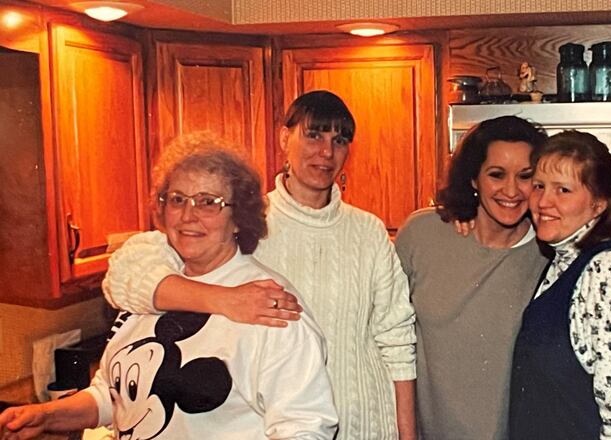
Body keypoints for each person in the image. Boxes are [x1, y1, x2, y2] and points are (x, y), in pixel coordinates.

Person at [100, 91, 417, 440]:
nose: (326, 152)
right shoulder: (239, 219)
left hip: (366, 424)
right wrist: (223, 298)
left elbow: (397, 340)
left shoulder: (368, 231)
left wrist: (407, 436)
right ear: (285, 138)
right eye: (313, 134)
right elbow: (126, 272)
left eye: (339, 140)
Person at [0, 135, 337, 439]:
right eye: (177, 199)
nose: (188, 215)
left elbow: (305, 429)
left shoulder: (269, 307)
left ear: (239, 218)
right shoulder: (150, 290)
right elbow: (115, 394)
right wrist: (46, 417)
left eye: (209, 202)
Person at [508, 130, 611, 439]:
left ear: (599, 204)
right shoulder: (567, 257)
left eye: (563, 190)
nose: (544, 201)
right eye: (539, 186)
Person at [394, 116, 549, 439]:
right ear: (474, 179)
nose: (511, 190)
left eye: (525, 177)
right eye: (496, 174)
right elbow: (385, 337)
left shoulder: (551, 253)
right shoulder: (423, 235)